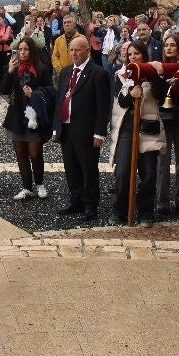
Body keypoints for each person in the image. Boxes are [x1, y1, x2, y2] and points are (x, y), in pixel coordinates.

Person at [53, 36, 112, 221]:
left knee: (88, 169)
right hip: (67, 128)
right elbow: (60, 100)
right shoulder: (66, 72)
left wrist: (100, 132)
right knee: (71, 168)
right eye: (71, 50)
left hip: (86, 130)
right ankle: (75, 200)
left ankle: (90, 204)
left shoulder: (98, 73)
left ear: (87, 51)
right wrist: (57, 127)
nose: (74, 53)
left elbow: (103, 106)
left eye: (77, 50)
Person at [107, 42, 166, 227]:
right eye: (130, 54)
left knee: (148, 172)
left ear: (143, 55)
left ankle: (145, 212)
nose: (132, 57)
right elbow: (121, 102)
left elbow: (161, 96)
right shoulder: (120, 75)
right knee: (123, 171)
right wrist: (131, 93)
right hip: (127, 127)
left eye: (136, 54)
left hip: (148, 127)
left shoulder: (153, 73)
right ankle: (120, 209)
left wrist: (154, 77)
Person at [1, 36, 55, 200]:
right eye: (20, 49)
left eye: (26, 49)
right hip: (17, 114)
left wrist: (34, 94)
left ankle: (39, 184)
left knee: (35, 152)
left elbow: (51, 91)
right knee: (20, 152)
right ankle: (26, 187)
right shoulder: (15, 68)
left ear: (32, 51)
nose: (23, 52)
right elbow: (3, 89)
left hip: (34, 114)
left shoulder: (42, 68)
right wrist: (9, 71)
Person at [155, 33, 179, 214]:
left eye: (172, 45)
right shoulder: (158, 68)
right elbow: (156, 92)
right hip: (163, 117)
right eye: (166, 45)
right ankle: (163, 202)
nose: (169, 48)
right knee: (162, 162)